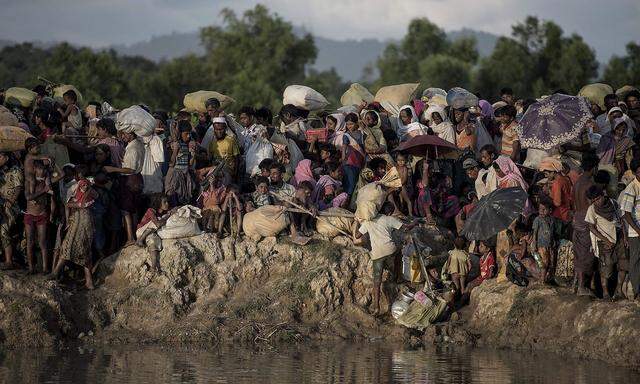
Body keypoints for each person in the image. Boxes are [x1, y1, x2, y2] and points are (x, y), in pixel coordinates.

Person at [353, 203, 417, 315]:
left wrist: (357, 223)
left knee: (376, 283)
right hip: (390, 250)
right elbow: (406, 228)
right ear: (389, 213)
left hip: (377, 254)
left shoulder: (368, 221)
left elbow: (357, 236)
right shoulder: (389, 219)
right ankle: (398, 277)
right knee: (398, 254)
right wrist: (414, 223)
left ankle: (376, 307)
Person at [50, 167, 97, 290]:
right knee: (83, 250)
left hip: (81, 220)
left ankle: (55, 273)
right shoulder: (85, 186)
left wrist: (70, 205)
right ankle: (89, 282)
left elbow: (80, 204)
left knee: (69, 245)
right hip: (81, 220)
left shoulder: (83, 184)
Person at [103, 130, 145, 246]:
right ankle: (135, 236)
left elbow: (130, 169)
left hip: (130, 180)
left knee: (126, 211)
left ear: (131, 134)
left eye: (124, 134)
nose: (122, 136)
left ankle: (130, 238)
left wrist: (113, 169)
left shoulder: (132, 148)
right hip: (137, 179)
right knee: (134, 210)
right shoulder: (139, 144)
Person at [585, 186, 625, 300]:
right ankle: (605, 293)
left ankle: (618, 290)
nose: (597, 202)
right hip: (605, 242)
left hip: (619, 238)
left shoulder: (613, 203)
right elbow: (591, 227)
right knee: (606, 269)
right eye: (594, 200)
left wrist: (625, 237)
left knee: (623, 265)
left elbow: (621, 219)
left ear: (603, 195)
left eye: (598, 199)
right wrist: (605, 240)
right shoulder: (592, 209)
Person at [572, 154, 599, 295]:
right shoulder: (590, 184)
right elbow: (592, 206)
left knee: (578, 253)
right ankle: (582, 287)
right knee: (586, 255)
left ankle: (577, 285)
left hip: (576, 219)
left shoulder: (577, 182)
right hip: (585, 221)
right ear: (594, 168)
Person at [618, 158, 640, 300]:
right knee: (636, 260)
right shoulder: (631, 188)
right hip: (635, 232)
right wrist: (637, 230)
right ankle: (637, 291)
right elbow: (625, 214)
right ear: (634, 172)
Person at [136, 193, 173, 272]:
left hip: (149, 233)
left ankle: (154, 268)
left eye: (167, 202)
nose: (167, 204)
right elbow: (158, 224)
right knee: (157, 222)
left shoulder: (162, 212)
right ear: (158, 203)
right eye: (165, 202)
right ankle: (140, 239)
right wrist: (167, 216)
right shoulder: (151, 210)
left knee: (154, 242)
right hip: (141, 231)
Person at [0, 152, 23, 270]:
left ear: (6, 157)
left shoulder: (15, 170)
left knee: (3, 231)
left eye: (0, 157)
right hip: (1, 204)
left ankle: (9, 261)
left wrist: (11, 201)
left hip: (11, 207)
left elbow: (18, 187)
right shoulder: (1, 171)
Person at [165, 120, 196, 205]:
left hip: (185, 176)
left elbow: (189, 164)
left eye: (189, 133)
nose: (189, 136)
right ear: (180, 133)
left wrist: (193, 154)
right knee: (174, 199)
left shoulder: (186, 145)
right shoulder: (173, 145)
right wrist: (175, 150)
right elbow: (171, 163)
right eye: (186, 133)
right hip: (175, 177)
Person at [531, 200, 558, 283]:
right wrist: (534, 243)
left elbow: (552, 232)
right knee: (543, 263)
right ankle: (542, 280)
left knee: (551, 262)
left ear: (550, 210)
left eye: (544, 209)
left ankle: (548, 279)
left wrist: (553, 241)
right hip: (541, 245)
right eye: (540, 209)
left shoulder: (552, 220)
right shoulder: (537, 220)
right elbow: (535, 232)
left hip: (550, 245)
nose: (541, 211)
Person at [341, 113, 365, 196]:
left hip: (359, 160)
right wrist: (343, 158)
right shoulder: (346, 135)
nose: (349, 126)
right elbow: (344, 146)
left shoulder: (361, 133)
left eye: (351, 124)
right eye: (347, 124)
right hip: (349, 161)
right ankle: (346, 200)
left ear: (356, 123)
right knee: (350, 183)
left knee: (356, 182)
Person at [394, 152, 413, 217]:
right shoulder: (396, 167)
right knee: (400, 200)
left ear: (405, 160)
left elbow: (404, 179)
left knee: (408, 201)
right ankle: (401, 213)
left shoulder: (405, 168)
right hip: (397, 185)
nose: (400, 162)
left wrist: (399, 184)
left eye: (402, 160)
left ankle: (410, 214)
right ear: (396, 160)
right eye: (399, 160)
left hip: (402, 186)